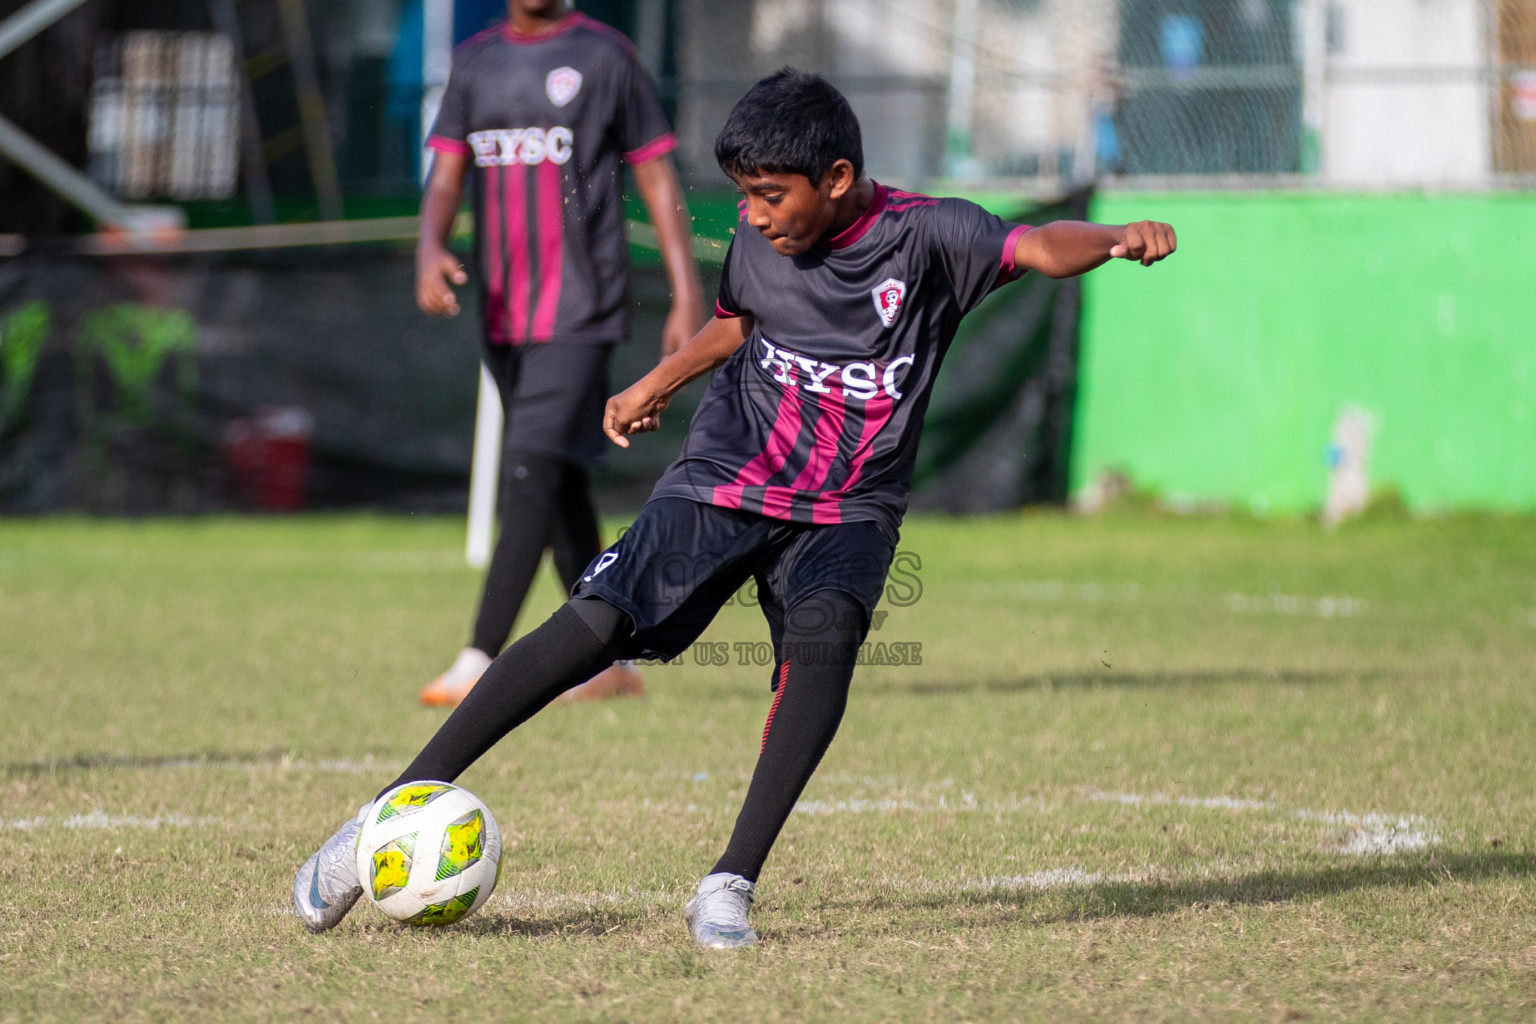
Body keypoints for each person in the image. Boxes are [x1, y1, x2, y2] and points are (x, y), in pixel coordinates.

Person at [294, 69, 1176, 947]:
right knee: (596, 620)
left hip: (849, 503)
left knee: (823, 646)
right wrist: (656, 381)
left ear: (835, 179)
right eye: (744, 197)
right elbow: (740, 320)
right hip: (728, 473)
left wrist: (1114, 238)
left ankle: (729, 884)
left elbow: (1039, 244)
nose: (750, 216)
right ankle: (373, 825)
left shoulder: (931, 234)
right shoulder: (765, 239)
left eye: (767, 196)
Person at [414, 0, 706, 707]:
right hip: (501, 310)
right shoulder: (475, 61)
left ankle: (480, 655)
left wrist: (686, 291)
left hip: (580, 307)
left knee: (532, 466)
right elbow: (448, 172)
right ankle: (609, 659)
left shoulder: (607, 57)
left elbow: (657, 177)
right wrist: (429, 247)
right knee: (559, 479)